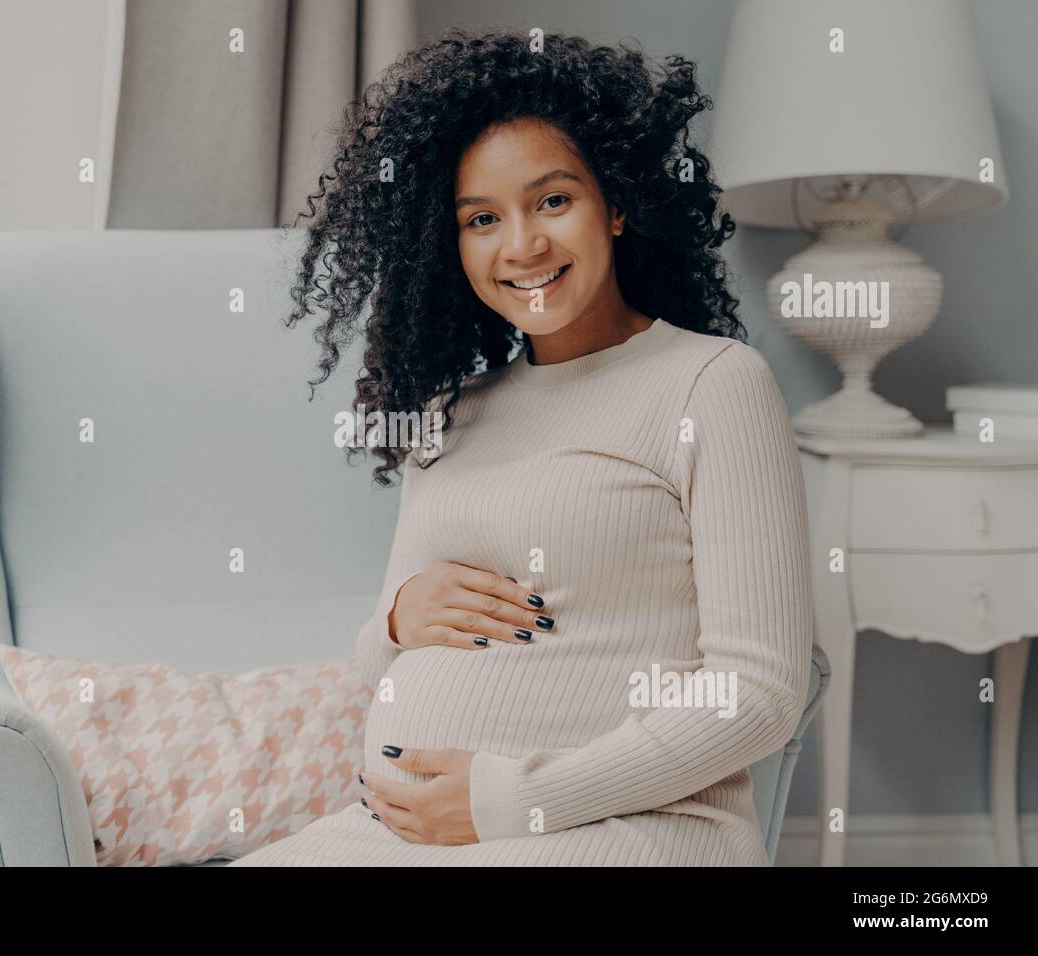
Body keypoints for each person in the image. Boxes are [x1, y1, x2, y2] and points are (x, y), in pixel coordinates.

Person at [229, 29, 812, 866]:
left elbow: (760, 694)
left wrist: (516, 800)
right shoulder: (448, 414)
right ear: (450, 244)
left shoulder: (712, 384)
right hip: (400, 831)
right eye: (481, 218)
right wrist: (395, 621)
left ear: (615, 203)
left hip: (626, 827)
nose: (523, 246)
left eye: (553, 201)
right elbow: (373, 663)